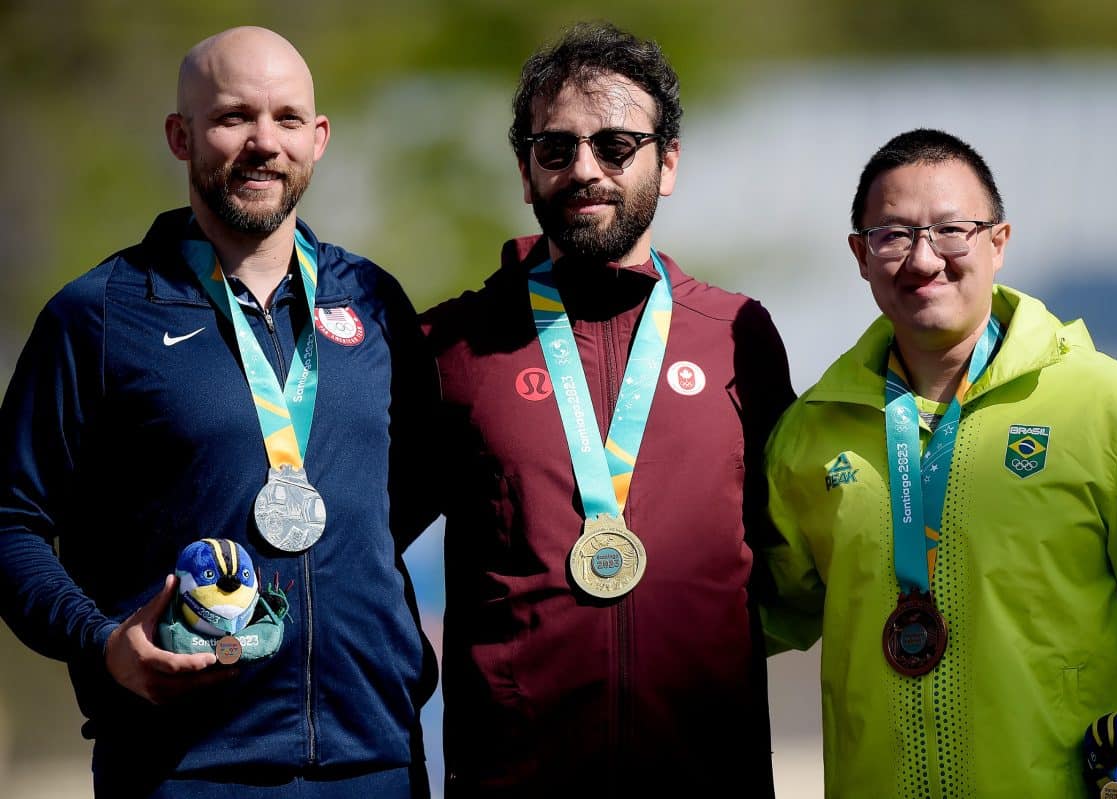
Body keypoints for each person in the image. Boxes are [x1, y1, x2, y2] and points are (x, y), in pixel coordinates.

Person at [0, 26, 437, 799]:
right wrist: (104, 643)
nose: (264, 142)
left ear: (319, 137)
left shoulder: (373, 303)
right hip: (184, 768)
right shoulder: (99, 316)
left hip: (376, 759)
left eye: (288, 119)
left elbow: (397, 499)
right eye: (234, 116)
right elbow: (9, 521)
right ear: (180, 134)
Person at [761, 127, 1117, 797]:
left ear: (998, 242)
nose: (923, 258)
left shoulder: (1112, 407)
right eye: (893, 235)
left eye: (951, 231)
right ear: (860, 254)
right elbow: (754, 613)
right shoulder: (812, 432)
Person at [421, 21, 794, 798]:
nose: (585, 168)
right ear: (526, 172)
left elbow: (802, 556)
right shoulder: (453, 345)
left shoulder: (739, 336)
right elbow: (356, 541)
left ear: (668, 164)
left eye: (617, 146)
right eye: (555, 149)